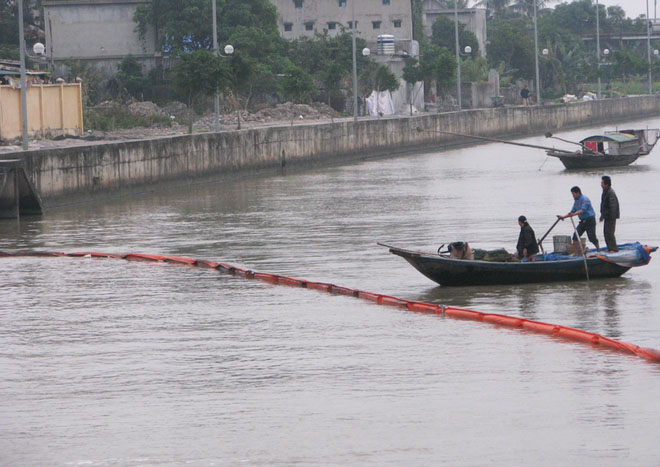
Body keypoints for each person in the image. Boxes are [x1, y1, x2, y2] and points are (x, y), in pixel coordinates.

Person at [557, 186, 600, 253]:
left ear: (578, 193)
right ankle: (577, 252)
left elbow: (582, 210)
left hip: (590, 220)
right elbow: (572, 212)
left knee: (592, 238)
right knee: (575, 236)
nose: (573, 196)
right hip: (582, 221)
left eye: (573, 194)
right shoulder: (576, 202)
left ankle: (598, 250)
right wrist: (563, 217)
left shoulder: (585, 199)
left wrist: (573, 214)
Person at [599, 175, 620, 252]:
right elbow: (604, 205)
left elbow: (613, 207)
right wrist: (602, 215)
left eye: (602, 183)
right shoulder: (605, 191)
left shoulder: (610, 193)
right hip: (607, 216)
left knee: (609, 233)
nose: (601, 184)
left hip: (611, 217)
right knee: (606, 233)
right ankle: (610, 248)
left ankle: (613, 249)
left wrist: (609, 217)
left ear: (606, 184)